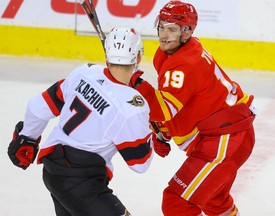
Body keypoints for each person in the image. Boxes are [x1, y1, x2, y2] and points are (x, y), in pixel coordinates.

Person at [7, 27, 162, 216]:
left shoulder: (85, 72)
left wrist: (27, 137)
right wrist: (150, 131)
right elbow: (140, 163)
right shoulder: (132, 107)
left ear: (107, 56)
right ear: (138, 58)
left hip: (53, 171)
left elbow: (38, 106)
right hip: (83, 183)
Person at [130, 1, 257, 215]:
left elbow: (163, 108)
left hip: (224, 138)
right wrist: (165, 129)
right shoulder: (174, 53)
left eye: (172, 29)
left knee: (177, 201)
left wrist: (133, 81)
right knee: (214, 201)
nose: (164, 35)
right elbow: (182, 102)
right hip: (227, 134)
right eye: (161, 27)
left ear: (187, 32)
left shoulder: (184, 63)